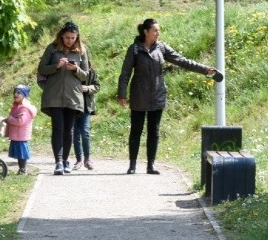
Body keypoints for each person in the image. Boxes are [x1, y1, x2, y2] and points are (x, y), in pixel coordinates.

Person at [117, 18, 216, 175]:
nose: (158, 33)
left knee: (154, 131)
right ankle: (132, 165)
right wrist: (122, 94)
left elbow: (182, 61)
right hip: (139, 95)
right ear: (146, 32)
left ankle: (151, 165)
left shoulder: (162, 47)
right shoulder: (134, 49)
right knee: (136, 130)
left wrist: (203, 69)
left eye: (158, 30)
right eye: (155, 30)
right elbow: (125, 73)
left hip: (157, 94)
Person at [38, 21, 88, 176]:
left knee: (69, 130)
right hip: (54, 96)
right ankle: (58, 162)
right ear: (61, 36)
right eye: (67, 37)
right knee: (58, 128)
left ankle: (66, 160)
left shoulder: (82, 51)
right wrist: (56, 66)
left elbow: (86, 75)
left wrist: (76, 69)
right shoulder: (52, 49)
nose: (70, 41)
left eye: (73, 38)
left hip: (73, 96)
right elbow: (41, 69)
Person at [72, 62, 100, 170]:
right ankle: (78, 160)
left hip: (86, 106)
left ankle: (87, 159)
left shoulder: (91, 71)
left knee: (85, 132)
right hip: (73, 106)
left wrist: (87, 88)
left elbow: (97, 86)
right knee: (75, 133)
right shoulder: (71, 70)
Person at [6, 84, 37, 175]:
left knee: (22, 154)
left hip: (21, 135)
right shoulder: (16, 107)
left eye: (19, 93)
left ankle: (23, 170)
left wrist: (9, 119)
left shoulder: (24, 108)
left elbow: (20, 121)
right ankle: (21, 169)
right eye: (15, 92)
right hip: (17, 134)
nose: (16, 94)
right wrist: (7, 120)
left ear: (24, 95)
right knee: (20, 154)